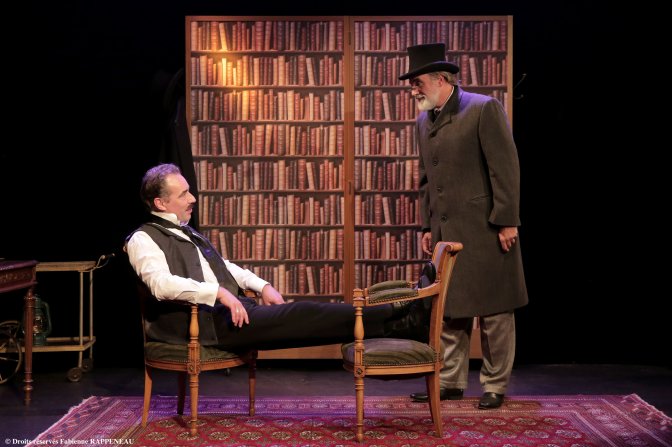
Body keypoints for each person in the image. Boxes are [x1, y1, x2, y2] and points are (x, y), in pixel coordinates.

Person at [126, 163, 419, 352]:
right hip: (203, 325)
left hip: (228, 314)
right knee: (302, 314)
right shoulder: (143, 239)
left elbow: (222, 266)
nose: (192, 199)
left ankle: (400, 323)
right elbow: (160, 285)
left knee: (305, 328)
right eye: (183, 194)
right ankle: (397, 312)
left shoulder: (187, 231)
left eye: (189, 191)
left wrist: (262, 285)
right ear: (160, 203)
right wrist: (219, 293)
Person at [399, 43, 528, 409]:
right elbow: (426, 180)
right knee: (450, 310)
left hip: (486, 228)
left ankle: (494, 385)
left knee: (495, 311)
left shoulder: (482, 109)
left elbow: (505, 168)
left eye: (418, 82)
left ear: (441, 79)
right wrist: (427, 227)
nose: (414, 90)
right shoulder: (424, 120)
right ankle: (450, 381)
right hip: (447, 233)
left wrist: (507, 221)